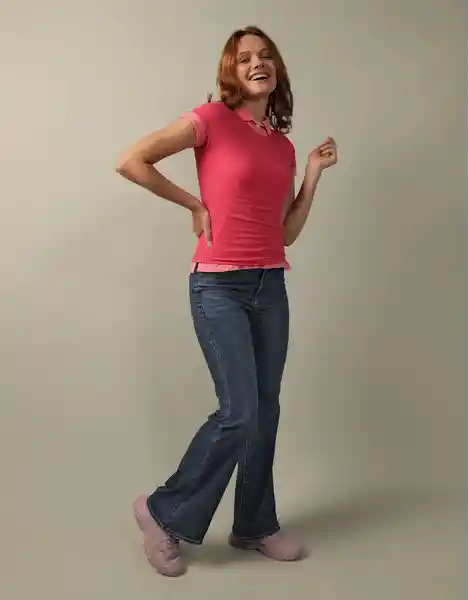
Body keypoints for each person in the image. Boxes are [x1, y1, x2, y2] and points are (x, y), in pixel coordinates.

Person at [115, 25, 338, 576]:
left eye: (266, 56)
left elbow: (285, 234)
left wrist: (310, 177)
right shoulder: (211, 119)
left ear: (276, 68)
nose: (257, 63)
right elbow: (133, 160)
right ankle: (162, 513)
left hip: (270, 285)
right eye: (244, 58)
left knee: (265, 411)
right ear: (231, 72)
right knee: (239, 412)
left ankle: (254, 525)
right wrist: (193, 203)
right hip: (218, 285)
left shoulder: (281, 146)